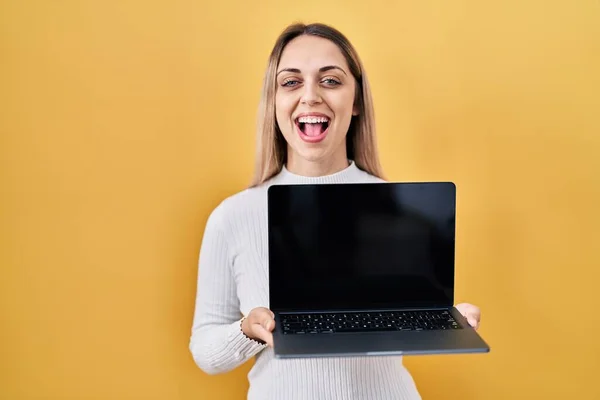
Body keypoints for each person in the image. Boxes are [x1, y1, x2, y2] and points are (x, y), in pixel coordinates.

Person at [189, 22, 482, 400]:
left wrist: (446, 320)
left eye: (330, 81)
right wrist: (247, 330)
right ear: (274, 101)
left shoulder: (401, 214)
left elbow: (405, 314)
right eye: (291, 82)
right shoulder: (234, 216)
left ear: (357, 100)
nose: (310, 96)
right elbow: (205, 351)